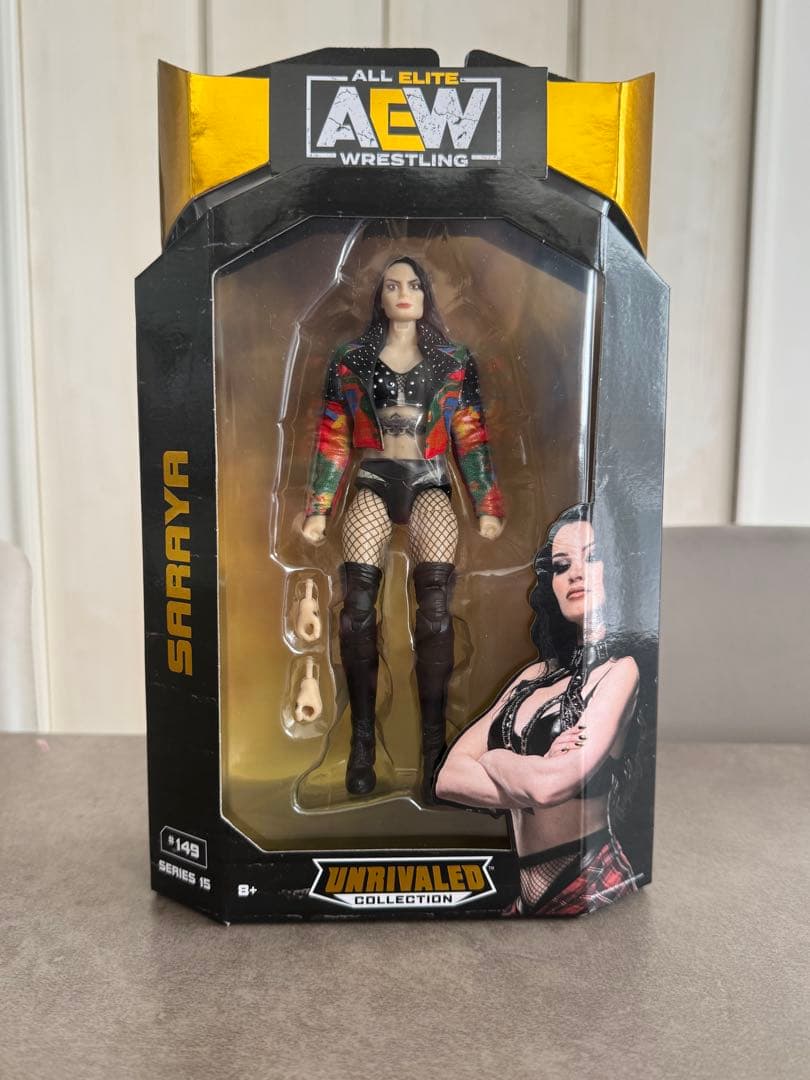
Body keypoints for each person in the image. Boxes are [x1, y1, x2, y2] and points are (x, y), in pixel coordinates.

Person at [301, 256, 505, 799]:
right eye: (392, 286)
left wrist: (486, 502)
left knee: (435, 613)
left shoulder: (452, 360)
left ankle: (436, 750)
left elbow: (470, 433)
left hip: (430, 478)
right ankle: (362, 740)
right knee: (356, 613)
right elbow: (333, 434)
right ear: (379, 296)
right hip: (373, 477)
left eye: (413, 284)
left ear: (427, 294)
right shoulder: (351, 359)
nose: (403, 294)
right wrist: (319, 506)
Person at [434, 503, 642, 915]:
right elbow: (448, 778)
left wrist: (493, 759)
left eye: (592, 558)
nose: (575, 574)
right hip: (525, 900)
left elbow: (549, 787)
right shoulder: (534, 675)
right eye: (561, 566)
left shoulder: (621, 672)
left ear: (619, 568)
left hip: (593, 882)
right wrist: (530, 775)